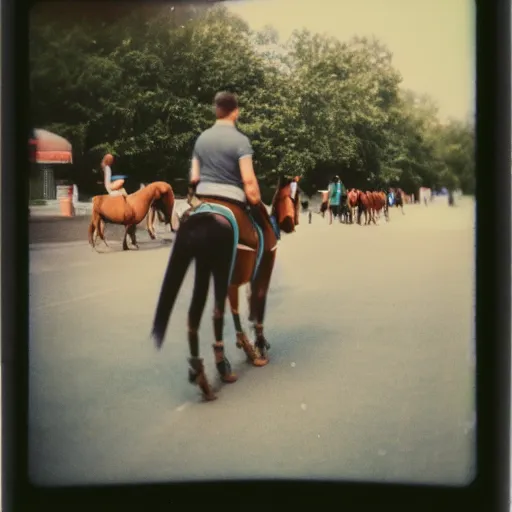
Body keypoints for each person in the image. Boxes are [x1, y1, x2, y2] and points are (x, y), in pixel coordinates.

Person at [188, 91, 272, 240]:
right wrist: (256, 201)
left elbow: (194, 178)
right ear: (236, 112)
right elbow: (248, 181)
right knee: (262, 235)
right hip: (232, 196)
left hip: (202, 197)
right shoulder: (241, 141)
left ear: (217, 111)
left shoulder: (201, 138)